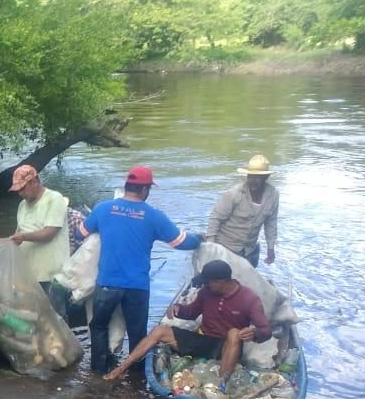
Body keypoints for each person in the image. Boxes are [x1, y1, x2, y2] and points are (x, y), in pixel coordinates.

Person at [83, 166, 203, 374]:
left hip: (107, 282)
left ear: (126, 186)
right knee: (137, 333)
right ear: (145, 189)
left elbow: (82, 231)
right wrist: (199, 239)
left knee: (99, 327)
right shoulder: (153, 216)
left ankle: (98, 371)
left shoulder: (103, 209)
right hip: (137, 286)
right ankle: (136, 375)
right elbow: (180, 242)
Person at [105, 260, 271, 383]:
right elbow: (192, 312)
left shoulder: (249, 298)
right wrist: (178, 309)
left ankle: (222, 382)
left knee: (234, 333)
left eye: (208, 281)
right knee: (159, 330)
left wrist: (255, 333)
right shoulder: (206, 292)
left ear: (221, 282)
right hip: (203, 341)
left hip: (227, 347)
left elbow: (266, 331)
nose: (205, 285)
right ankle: (121, 368)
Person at [0, 165, 70, 291]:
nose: (20, 194)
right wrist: (2, 243)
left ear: (34, 182)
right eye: (17, 191)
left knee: (54, 310)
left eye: (22, 189)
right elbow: (18, 235)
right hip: (29, 273)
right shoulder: (22, 205)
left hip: (51, 275)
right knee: (31, 310)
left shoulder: (54, 199)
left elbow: (49, 233)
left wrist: (23, 236)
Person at [206, 154, 279, 268]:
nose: (252, 181)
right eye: (250, 176)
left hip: (248, 249)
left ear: (265, 178)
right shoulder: (234, 194)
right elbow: (215, 219)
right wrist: (211, 247)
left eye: (257, 178)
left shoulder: (273, 195)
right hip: (225, 246)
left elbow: (271, 223)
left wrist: (271, 248)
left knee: (243, 283)